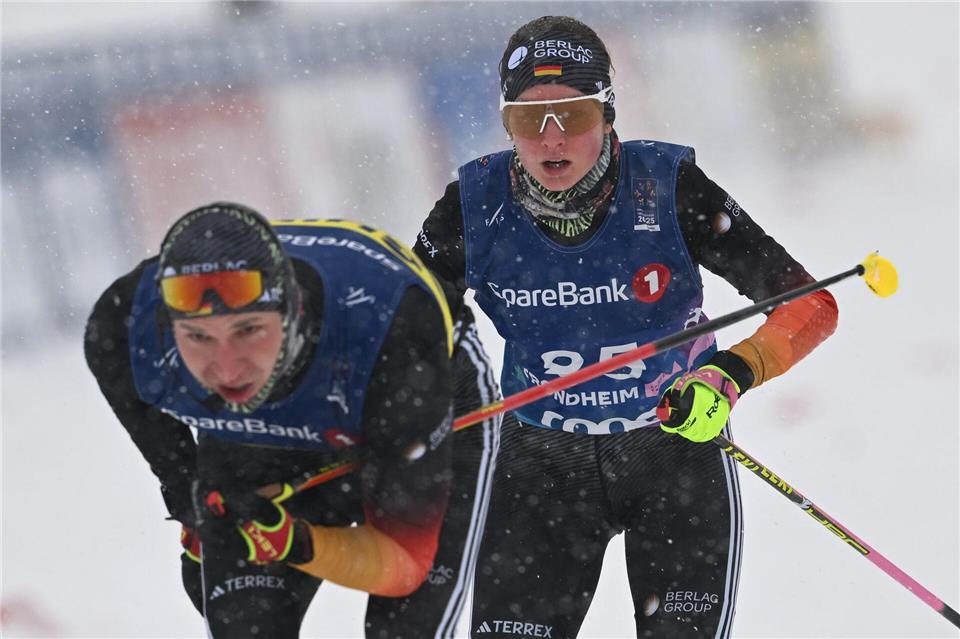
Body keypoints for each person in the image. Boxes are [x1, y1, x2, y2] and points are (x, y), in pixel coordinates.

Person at [413, 15, 839, 639]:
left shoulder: (669, 188)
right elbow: (409, 330)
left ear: (608, 113)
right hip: (539, 469)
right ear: (506, 124)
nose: (551, 139)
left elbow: (811, 305)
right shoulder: (473, 207)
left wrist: (729, 374)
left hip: (672, 454)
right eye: (529, 119)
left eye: (573, 114)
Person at [85, 202, 500, 638]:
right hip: (266, 428)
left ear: (292, 313)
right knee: (244, 624)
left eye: (248, 330)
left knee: (407, 628)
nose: (227, 368)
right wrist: (190, 494)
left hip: (409, 397)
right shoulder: (122, 328)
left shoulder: (397, 338)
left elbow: (403, 564)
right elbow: (183, 475)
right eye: (198, 337)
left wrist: (297, 542)